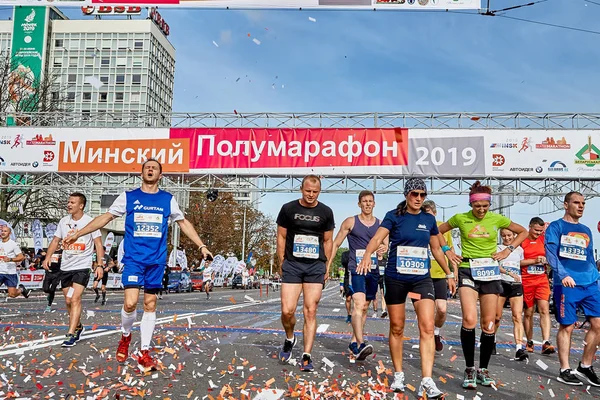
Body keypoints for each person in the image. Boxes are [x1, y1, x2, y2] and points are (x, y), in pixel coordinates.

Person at [63, 159, 213, 371]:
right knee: (130, 303)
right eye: (147, 167)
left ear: (160, 175)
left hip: (156, 261)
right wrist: (78, 233)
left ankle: (144, 351)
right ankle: (126, 335)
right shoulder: (128, 197)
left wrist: (201, 246)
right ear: (141, 173)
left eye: (154, 168)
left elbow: (183, 223)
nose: (150, 170)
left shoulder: (167, 199)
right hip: (134, 259)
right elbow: (105, 218)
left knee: (150, 305)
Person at [358, 178, 456, 399]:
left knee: (428, 328)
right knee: (397, 327)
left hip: (421, 279)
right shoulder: (394, 216)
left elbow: (436, 249)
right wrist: (367, 255)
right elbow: (377, 238)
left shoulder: (428, 219)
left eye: (422, 195)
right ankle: (399, 374)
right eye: (415, 194)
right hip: (396, 278)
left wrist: (448, 272)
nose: (419, 198)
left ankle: (427, 380)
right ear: (406, 195)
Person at [438, 181, 528, 389]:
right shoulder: (460, 218)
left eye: (485, 206)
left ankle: (483, 369)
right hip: (468, 269)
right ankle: (469, 368)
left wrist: (508, 250)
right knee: (469, 319)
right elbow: (437, 231)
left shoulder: (497, 218)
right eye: (477, 206)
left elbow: (522, 231)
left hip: (490, 271)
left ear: (489, 205)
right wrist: (448, 250)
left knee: (488, 323)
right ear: (471, 204)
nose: (481, 210)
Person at [276, 175, 335, 372]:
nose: (311, 195)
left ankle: (307, 356)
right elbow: (281, 236)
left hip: (315, 266)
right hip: (292, 264)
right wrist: (281, 261)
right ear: (301, 189)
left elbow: (328, 241)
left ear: (319, 192)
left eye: (315, 192)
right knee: (287, 311)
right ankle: (290, 338)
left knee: (310, 310)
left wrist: (326, 266)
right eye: (308, 191)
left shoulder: (326, 212)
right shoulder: (288, 209)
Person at [545, 191, 600, 387]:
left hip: (590, 283)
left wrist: (596, 276)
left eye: (583, 203)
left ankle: (585, 366)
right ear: (566, 204)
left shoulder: (586, 229)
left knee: (598, 324)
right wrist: (563, 274)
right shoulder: (556, 227)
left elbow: (589, 257)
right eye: (576, 202)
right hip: (567, 284)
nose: (581, 206)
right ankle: (565, 369)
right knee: (567, 326)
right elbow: (551, 254)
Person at [328, 190, 388, 360]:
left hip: (373, 270)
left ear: (374, 204)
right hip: (357, 269)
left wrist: (384, 248)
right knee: (359, 304)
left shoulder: (381, 224)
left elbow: (386, 244)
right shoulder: (350, 222)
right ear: (359, 204)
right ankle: (360, 343)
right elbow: (336, 242)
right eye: (364, 201)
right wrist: (328, 264)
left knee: (365, 307)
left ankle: (354, 342)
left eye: (370, 201)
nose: (367, 204)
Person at [43, 193, 104, 347]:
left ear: (81, 205)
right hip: (66, 268)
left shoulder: (90, 222)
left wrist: (99, 264)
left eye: (72, 202)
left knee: (75, 298)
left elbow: (98, 244)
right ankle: (78, 326)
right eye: (68, 202)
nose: (69, 205)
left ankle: (70, 334)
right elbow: (55, 240)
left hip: (81, 268)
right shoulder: (64, 221)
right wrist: (48, 257)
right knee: (68, 300)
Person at [520, 217, 556, 355]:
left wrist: (547, 260)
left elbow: (552, 257)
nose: (538, 233)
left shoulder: (544, 240)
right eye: (536, 230)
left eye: (540, 231)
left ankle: (546, 342)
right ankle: (529, 341)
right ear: (529, 226)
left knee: (544, 310)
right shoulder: (522, 241)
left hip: (541, 280)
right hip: (527, 280)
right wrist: (534, 260)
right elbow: (516, 262)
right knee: (528, 312)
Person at [423, 200, 454, 352]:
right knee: (426, 312)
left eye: (429, 214)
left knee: (441, 309)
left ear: (434, 214)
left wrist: (453, 274)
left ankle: (436, 333)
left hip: (440, 274)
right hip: (422, 276)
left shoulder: (443, 228)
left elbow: (450, 251)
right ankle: (427, 338)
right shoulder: (420, 227)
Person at [494, 228, 528, 361]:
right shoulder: (498, 248)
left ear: (514, 235)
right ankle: (493, 340)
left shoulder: (519, 250)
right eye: (504, 236)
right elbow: (496, 265)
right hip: (502, 282)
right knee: (497, 317)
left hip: (516, 285)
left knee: (517, 316)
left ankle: (519, 347)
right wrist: (509, 273)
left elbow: (519, 264)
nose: (507, 238)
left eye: (509, 235)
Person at [0, 226, 30, 299]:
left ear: (9, 233)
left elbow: (21, 257)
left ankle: (21, 289)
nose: (3, 233)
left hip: (10, 272)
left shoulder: (13, 244)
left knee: (12, 294)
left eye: (5, 231)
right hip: (0, 271)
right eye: (2, 231)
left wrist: (10, 259)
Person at [42, 247, 62, 312]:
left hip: (57, 273)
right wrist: (42, 254)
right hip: (49, 272)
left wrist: (62, 257)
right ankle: (50, 294)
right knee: (45, 289)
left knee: (53, 289)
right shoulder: (49, 250)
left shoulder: (62, 251)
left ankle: (49, 305)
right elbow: (40, 254)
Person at [340, 250, 353, 324]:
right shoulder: (345, 254)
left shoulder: (361, 252)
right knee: (348, 298)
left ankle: (356, 314)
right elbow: (344, 263)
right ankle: (349, 314)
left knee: (357, 298)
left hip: (357, 276)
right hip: (348, 277)